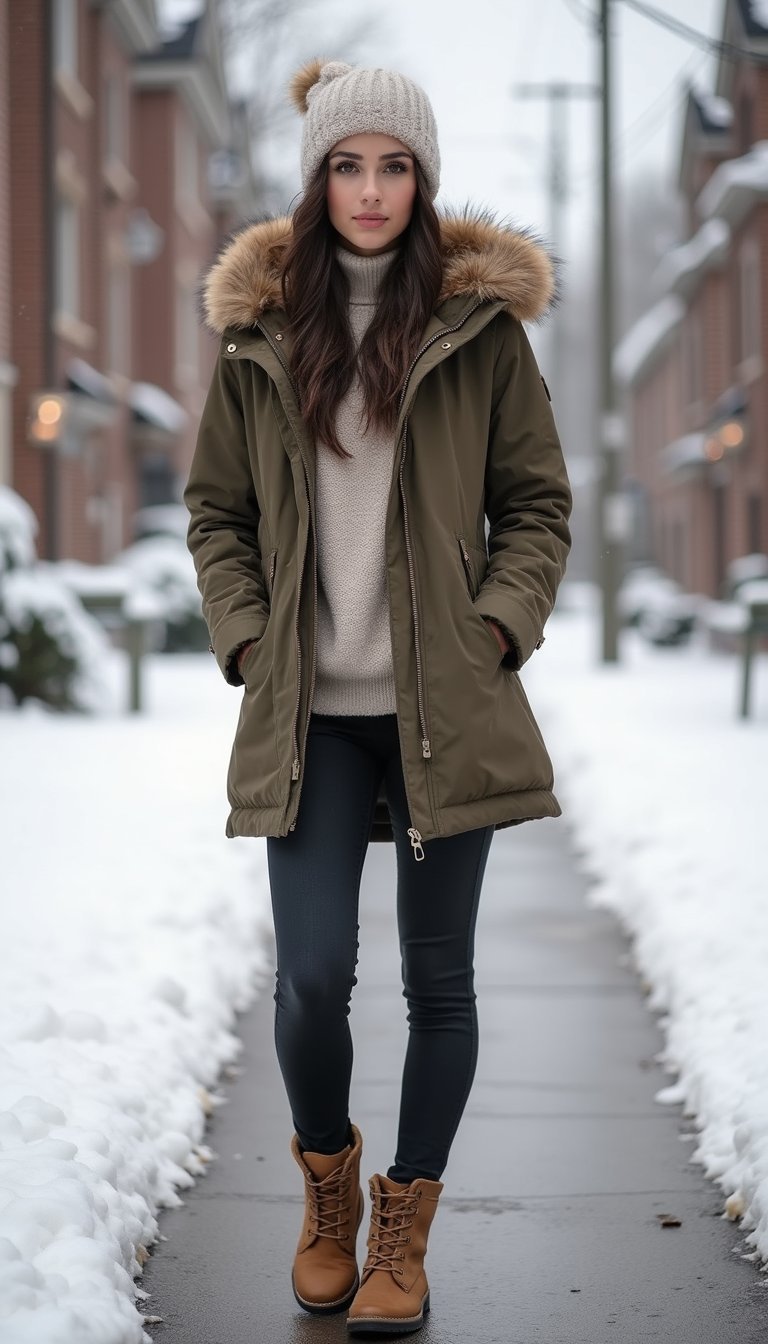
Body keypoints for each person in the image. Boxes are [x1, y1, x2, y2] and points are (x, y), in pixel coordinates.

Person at [184, 57, 572, 1338]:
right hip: (310, 713)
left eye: (393, 165)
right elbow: (217, 514)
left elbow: (537, 507)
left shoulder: (482, 335)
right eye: (346, 165)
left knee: (440, 981)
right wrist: (248, 641)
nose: (369, 189)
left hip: (440, 710)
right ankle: (327, 1186)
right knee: (309, 979)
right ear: (315, 180)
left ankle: (405, 1224)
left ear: (424, 179)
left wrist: (498, 625)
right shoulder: (260, 336)